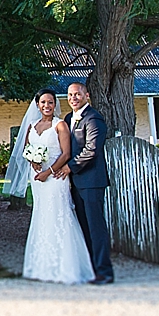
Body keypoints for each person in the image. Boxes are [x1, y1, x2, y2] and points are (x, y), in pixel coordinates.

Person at [18, 90, 95, 284]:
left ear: (55, 105)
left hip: (56, 177)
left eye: (50, 102)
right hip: (37, 178)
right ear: (37, 105)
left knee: (59, 215)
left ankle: (66, 267)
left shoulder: (60, 125)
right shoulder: (31, 126)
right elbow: (26, 148)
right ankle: (42, 265)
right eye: (43, 102)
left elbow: (66, 154)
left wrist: (49, 171)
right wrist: (32, 162)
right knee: (41, 216)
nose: (46, 106)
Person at [59, 81, 114, 284]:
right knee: (83, 226)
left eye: (77, 94)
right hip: (75, 183)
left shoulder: (94, 119)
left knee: (96, 227)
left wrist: (70, 167)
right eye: (70, 95)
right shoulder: (68, 118)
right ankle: (90, 268)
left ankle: (104, 272)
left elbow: (92, 149)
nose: (74, 98)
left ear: (86, 96)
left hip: (92, 181)